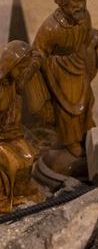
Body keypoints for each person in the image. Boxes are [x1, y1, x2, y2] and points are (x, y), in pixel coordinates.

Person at [31, 0, 98, 159]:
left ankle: (87, 132)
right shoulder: (51, 27)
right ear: (63, 0)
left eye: (84, 0)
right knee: (67, 110)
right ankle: (71, 142)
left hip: (80, 65)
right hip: (59, 71)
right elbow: (38, 51)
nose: (81, 6)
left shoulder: (85, 18)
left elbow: (86, 38)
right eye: (76, 0)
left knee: (87, 100)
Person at [0, 41, 44, 213]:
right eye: (22, 67)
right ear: (12, 65)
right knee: (12, 162)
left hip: (12, 135)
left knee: (29, 155)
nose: (25, 72)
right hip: (2, 138)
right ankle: (4, 197)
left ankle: (20, 191)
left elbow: (37, 60)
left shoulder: (14, 81)